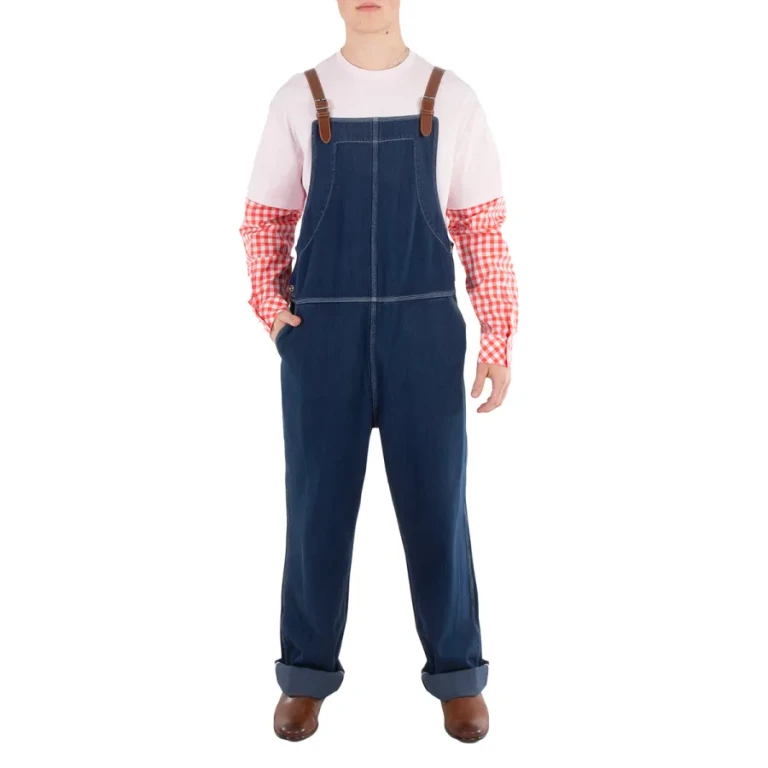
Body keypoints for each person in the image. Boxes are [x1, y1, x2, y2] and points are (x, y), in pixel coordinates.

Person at [239, 0, 518, 743]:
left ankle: (458, 674)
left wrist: (497, 336)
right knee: (316, 510)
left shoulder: (450, 96)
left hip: (422, 333)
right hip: (320, 336)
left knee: (438, 507)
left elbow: (479, 225)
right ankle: (305, 676)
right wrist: (273, 309)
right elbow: (266, 220)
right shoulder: (299, 97)